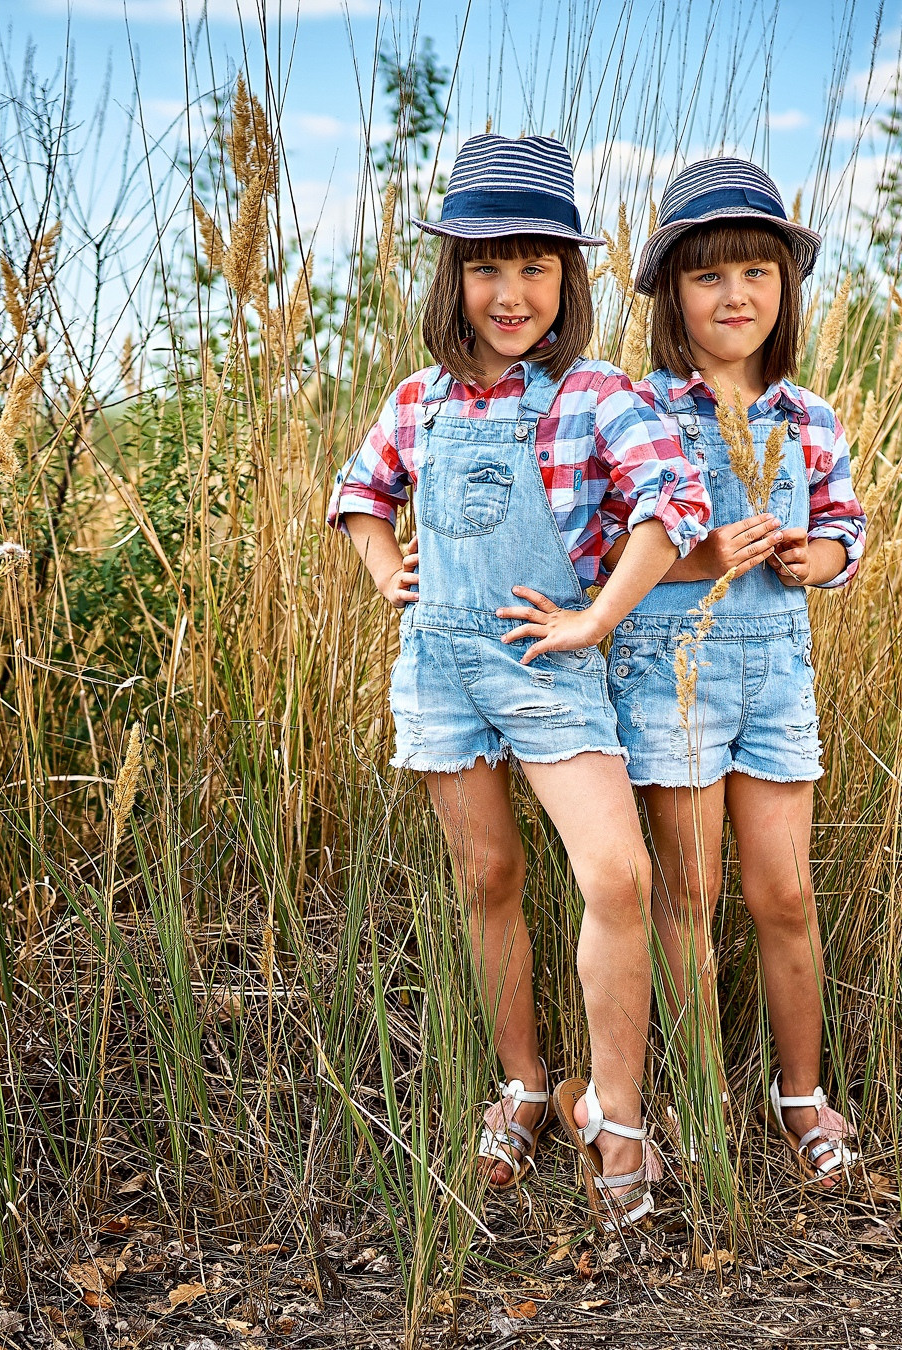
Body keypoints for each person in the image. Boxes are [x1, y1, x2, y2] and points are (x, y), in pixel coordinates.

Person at [327, 133, 710, 1232]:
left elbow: (671, 509)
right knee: (489, 877)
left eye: (534, 267)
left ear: (567, 278)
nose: (510, 292)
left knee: (619, 878)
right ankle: (526, 1086)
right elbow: (362, 490)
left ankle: (619, 1115)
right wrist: (382, 564)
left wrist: (598, 614)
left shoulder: (596, 394)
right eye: (486, 267)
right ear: (454, 277)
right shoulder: (419, 399)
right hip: (441, 668)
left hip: (548, 666)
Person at [603, 156, 867, 1188]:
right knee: (690, 892)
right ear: (673, 291)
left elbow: (844, 521)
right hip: (677, 666)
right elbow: (616, 538)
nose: (736, 295)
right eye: (709, 276)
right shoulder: (644, 408)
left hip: (777, 672)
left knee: (783, 891)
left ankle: (800, 1093)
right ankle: (700, 1092)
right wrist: (700, 553)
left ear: (784, 288)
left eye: (757, 272)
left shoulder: (807, 415)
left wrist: (822, 557)